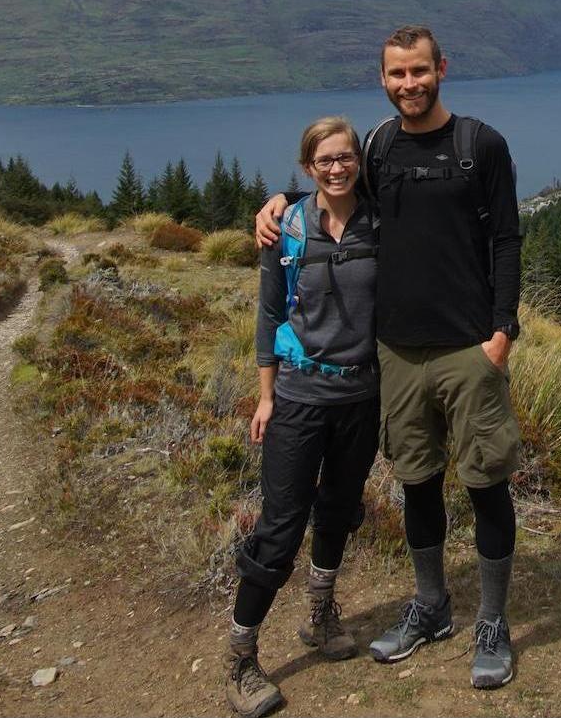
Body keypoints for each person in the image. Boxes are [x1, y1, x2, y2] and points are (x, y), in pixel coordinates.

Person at [255, 25, 522, 690]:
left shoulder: (479, 145)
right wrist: (283, 199)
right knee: (418, 481)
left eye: (419, 71)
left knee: (485, 481)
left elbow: (508, 238)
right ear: (383, 78)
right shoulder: (377, 146)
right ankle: (430, 606)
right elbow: (337, 188)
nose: (409, 83)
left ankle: (491, 620)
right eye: (397, 74)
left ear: (441, 69)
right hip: (398, 352)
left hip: (468, 346)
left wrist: (501, 332)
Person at [227, 116, 380, 718]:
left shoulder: (379, 220)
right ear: (307, 167)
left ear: (358, 163)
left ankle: (320, 614)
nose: (338, 168)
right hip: (297, 398)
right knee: (281, 526)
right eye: (325, 162)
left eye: (346, 158)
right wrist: (266, 396)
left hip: (360, 398)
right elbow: (268, 317)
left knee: (340, 511)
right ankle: (240, 655)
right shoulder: (287, 228)